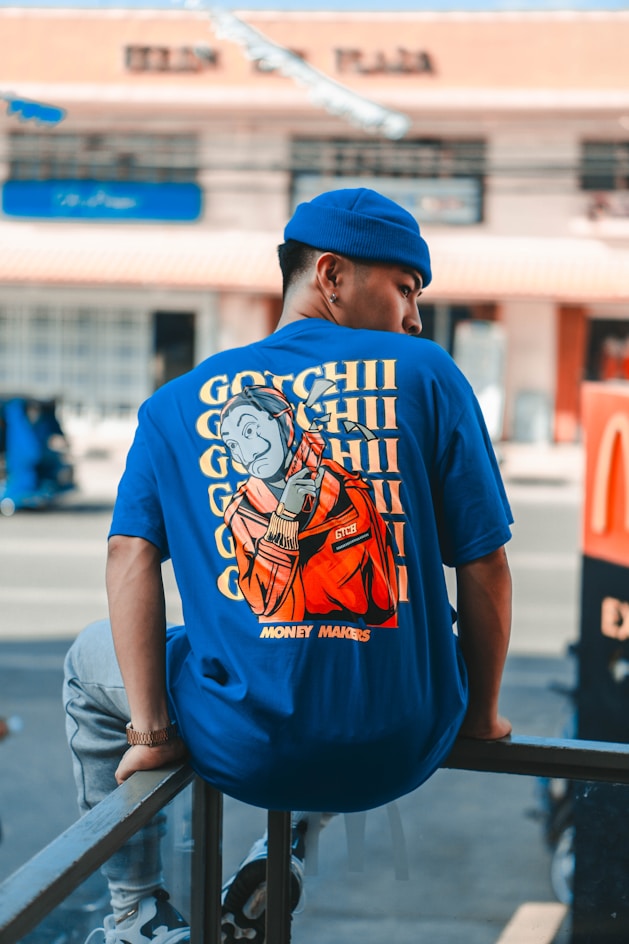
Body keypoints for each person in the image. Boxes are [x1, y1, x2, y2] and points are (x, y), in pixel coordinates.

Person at [63, 187, 513, 944]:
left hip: (242, 742)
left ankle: (135, 913)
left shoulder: (173, 404)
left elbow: (128, 554)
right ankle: (289, 839)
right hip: (406, 738)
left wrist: (153, 729)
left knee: (89, 663)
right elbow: (484, 561)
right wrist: (479, 716)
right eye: (405, 288)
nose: (413, 316)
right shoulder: (426, 373)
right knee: (384, 646)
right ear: (331, 274)